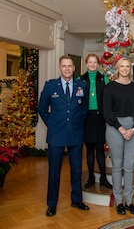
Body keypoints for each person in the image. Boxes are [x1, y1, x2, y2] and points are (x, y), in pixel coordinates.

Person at [38, 55, 90, 217]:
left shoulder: (82, 86)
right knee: (54, 171)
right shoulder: (50, 86)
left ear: (74, 68)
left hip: (75, 134)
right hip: (56, 136)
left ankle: (77, 200)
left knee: (76, 170)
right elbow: (41, 108)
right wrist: (52, 124)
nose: (67, 69)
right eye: (64, 66)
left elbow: (84, 109)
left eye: (70, 66)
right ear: (60, 68)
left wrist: (76, 122)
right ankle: (52, 204)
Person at [103, 58, 134, 215]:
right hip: (115, 128)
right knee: (117, 166)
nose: (125, 69)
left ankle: (129, 200)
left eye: (128, 66)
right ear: (117, 68)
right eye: (122, 66)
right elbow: (107, 111)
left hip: (133, 128)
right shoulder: (110, 87)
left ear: (130, 69)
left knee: (129, 166)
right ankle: (118, 201)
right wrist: (120, 128)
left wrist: (133, 129)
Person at [79, 54, 112, 189]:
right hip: (86, 118)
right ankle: (91, 177)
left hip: (99, 118)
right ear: (86, 64)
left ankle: (103, 177)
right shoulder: (80, 80)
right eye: (90, 62)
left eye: (95, 62)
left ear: (98, 64)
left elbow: (108, 100)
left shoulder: (104, 79)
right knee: (89, 149)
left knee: (100, 148)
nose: (92, 64)